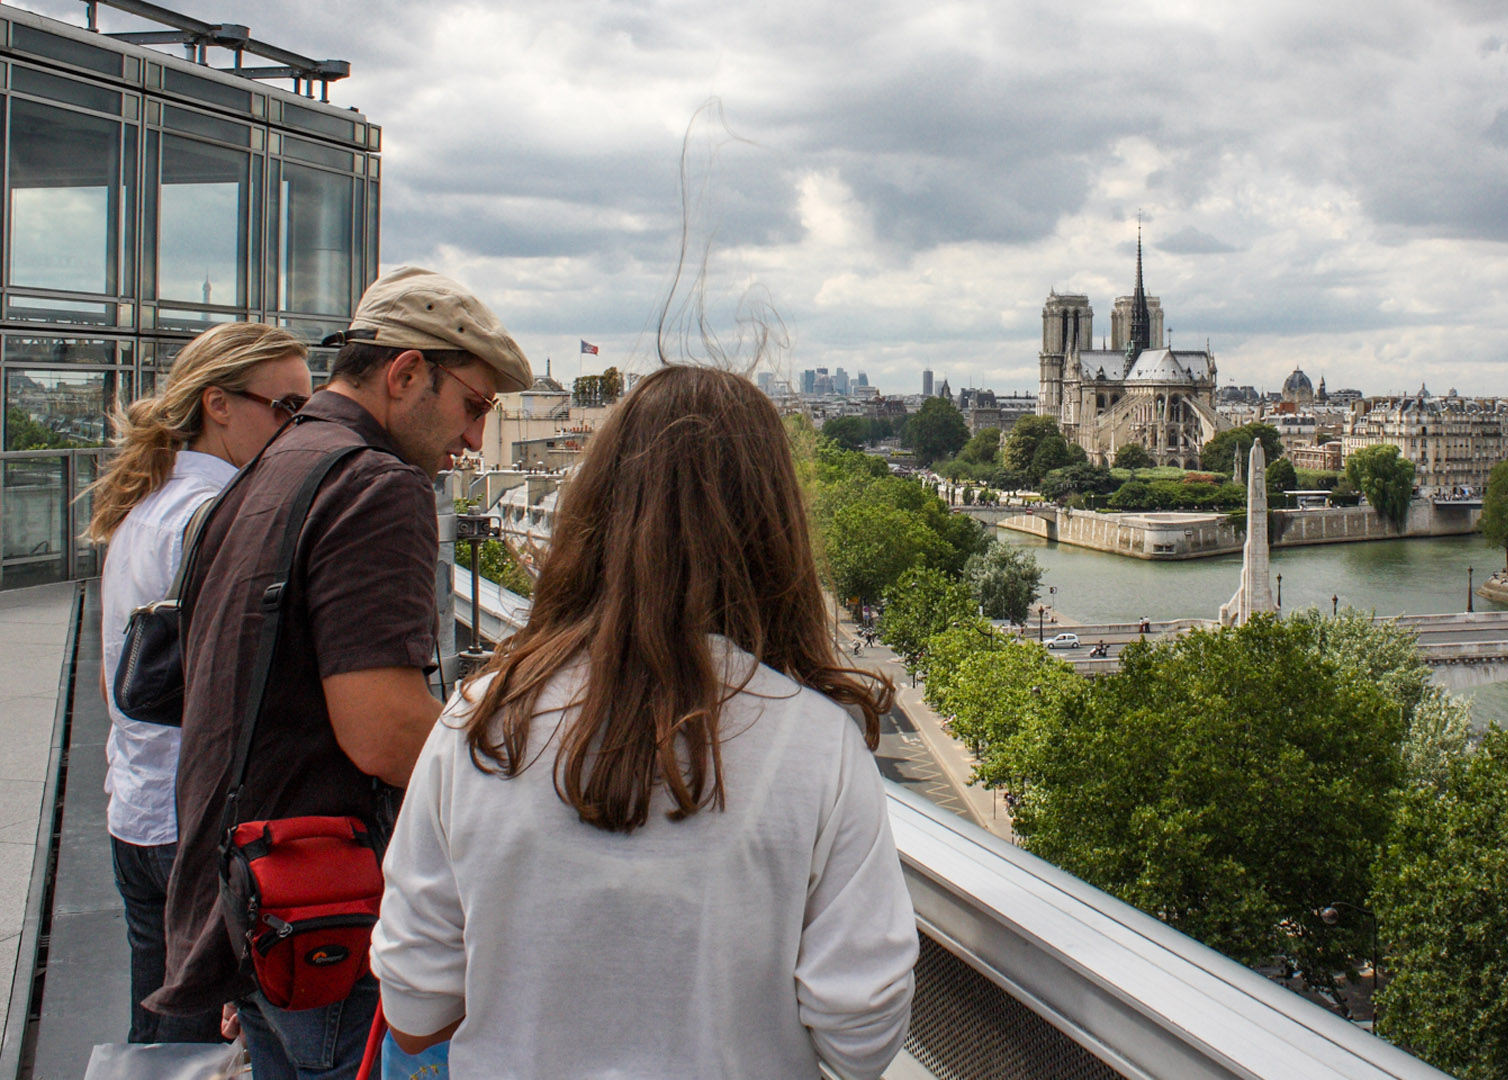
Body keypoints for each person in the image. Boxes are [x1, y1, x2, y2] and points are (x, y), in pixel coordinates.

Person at [371, 365, 918, 1078]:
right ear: (774, 528)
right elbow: (862, 1036)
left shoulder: (478, 719)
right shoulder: (817, 744)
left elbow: (414, 1012)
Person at [150, 267, 531, 1080]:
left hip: (249, 900)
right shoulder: (375, 484)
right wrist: (528, 781)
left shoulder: (267, 469)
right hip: (326, 914)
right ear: (406, 373)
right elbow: (383, 729)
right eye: (475, 405)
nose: (472, 438)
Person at [88, 323, 313, 1044]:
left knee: (160, 1041)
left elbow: (113, 680)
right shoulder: (214, 518)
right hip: (195, 827)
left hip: (137, 808)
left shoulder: (141, 507)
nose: (295, 430)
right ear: (219, 404)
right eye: (285, 408)